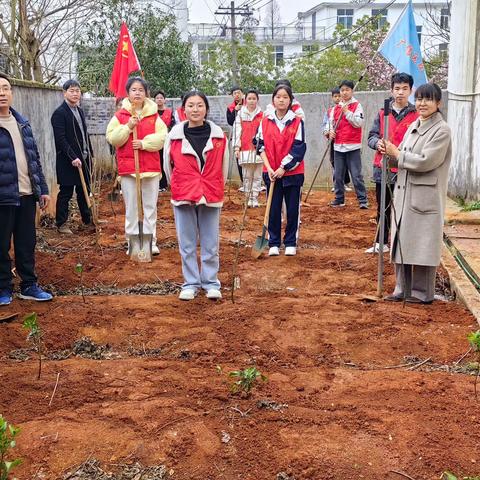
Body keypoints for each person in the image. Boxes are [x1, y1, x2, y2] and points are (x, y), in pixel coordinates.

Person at [380, 83, 451, 304]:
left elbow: (426, 161)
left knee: (422, 242)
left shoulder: (441, 130)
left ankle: (421, 293)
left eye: (428, 99)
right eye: (419, 99)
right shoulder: (414, 125)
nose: (422, 103)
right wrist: (389, 152)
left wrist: (397, 154)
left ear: (438, 103)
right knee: (403, 240)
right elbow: (400, 154)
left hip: (424, 195)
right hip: (404, 192)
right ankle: (402, 289)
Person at [164, 90, 229, 301]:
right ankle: (190, 283)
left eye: (199, 105)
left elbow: (224, 168)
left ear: (206, 109)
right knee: (187, 243)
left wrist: (214, 185)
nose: (195, 109)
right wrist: (181, 184)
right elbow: (168, 167)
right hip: (183, 192)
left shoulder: (219, 136)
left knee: (210, 243)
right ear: (184, 110)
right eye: (191, 105)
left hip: (210, 192)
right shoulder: (174, 136)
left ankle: (211, 282)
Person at [0, 73, 53, 305]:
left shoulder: (22, 123)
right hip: (3, 197)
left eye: (5, 88)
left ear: (12, 93)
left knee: (26, 243)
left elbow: (34, 159)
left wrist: (41, 187)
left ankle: (29, 285)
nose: (2, 93)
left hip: (27, 194)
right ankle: (3, 288)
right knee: (1, 244)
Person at [106, 77, 167, 256]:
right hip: (128, 169)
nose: (137, 93)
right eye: (134, 89)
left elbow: (163, 137)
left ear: (146, 93)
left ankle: (151, 241)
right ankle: (131, 241)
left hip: (150, 168)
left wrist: (144, 143)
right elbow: (113, 138)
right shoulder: (120, 116)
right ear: (128, 93)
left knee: (150, 207)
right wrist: (128, 127)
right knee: (131, 207)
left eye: (141, 89)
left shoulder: (154, 115)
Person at [366, 73, 418, 254]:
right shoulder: (383, 112)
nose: (400, 92)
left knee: (405, 207)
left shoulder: (416, 115)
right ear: (391, 90)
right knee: (383, 207)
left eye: (405, 89)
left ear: (411, 91)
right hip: (383, 167)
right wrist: (377, 143)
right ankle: (382, 242)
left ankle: (404, 243)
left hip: (405, 168)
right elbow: (371, 136)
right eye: (397, 88)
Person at [256, 84, 306, 257]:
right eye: (278, 97)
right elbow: (259, 145)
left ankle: (291, 241)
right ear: (273, 100)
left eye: (285, 97)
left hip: (292, 173)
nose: (281, 100)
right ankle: (274, 242)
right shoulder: (265, 121)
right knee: (273, 208)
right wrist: (270, 168)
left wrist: (283, 167)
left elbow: (299, 148)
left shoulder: (297, 121)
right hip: (271, 173)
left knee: (292, 209)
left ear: (290, 100)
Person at [51, 79, 94, 234]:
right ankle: (61, 224)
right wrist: (72, 157)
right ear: (64, 93)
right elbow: (61, 139)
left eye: (77, 91)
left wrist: (90, 154)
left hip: (84, 158)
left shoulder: (80, 110)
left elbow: (84, 134)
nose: (75, 94)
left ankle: (87, 220)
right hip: (68, 161)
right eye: (72, 91)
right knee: (66, 192)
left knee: (84, 190)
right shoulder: (59, 113)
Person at [328, 79, 368, 209]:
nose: (344, 92)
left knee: (356, 175)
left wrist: (347, 113)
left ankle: (362, 200)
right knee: (338, 175)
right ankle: (339, 199)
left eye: (347, 90)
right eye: (342, 90)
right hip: (338, 146)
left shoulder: (357, 106)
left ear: (352, 91)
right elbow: (331, 124)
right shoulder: (335, 108)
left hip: (353, 146)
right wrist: (330, 132)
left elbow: (358, 123)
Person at [233, 88, 263, 207]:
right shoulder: (240, 114)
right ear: (246, 100)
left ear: (257, 100)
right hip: (245, 149)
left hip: (258, 150)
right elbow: (237, 132)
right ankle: (248, 197)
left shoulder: (262, 115)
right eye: (249, 98)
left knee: (257, 176)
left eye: (254, 99)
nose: (251, 101)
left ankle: (254, 198)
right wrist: (236, 147)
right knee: (246, 175)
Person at [322, 87, 351, 192]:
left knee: (346, 162)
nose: (338, 98)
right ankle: (338, 183)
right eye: (335, 96)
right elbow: (325, 124)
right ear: (332, 98)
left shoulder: (347, 108)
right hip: (334, 140)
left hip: (345, 140)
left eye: (339, 95)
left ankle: (345, 182)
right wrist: (327, 132)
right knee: (334, 161)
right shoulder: (330, 111)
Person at [154, 89, 175, 192]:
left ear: (164, 100)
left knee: (165, 161)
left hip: (166, 141)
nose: (159, 100)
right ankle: (156, 185)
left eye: (161, 98)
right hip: (154, 141)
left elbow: (172, 126)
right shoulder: (152, 113)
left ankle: (164, 184)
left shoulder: (169, 112)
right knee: (155, 162)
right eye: (157, 98)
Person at [226, 85, 245, 189]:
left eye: (239, 92)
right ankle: (243, 182)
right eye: (234, 93)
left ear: (242, 94)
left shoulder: (249, 104)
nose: (237, 95)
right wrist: (235, 111)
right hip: (237, 136)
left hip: (248, 136)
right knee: (239, 159)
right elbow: (230, 121)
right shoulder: (230, 108)